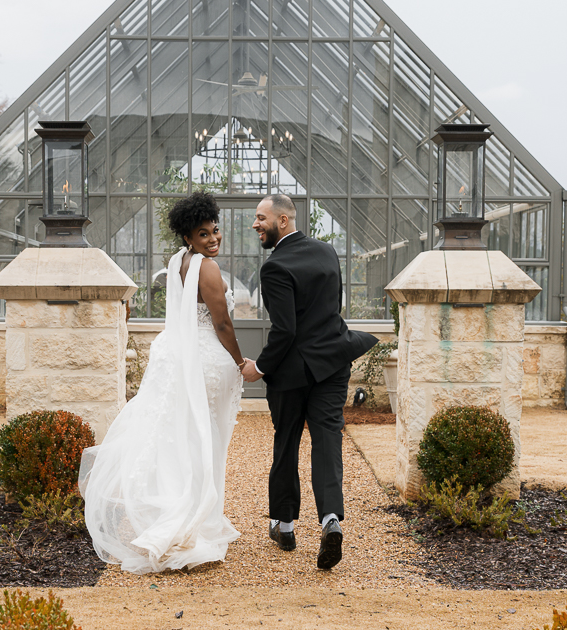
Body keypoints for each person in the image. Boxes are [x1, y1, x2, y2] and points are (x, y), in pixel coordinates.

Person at [79, 191, 245, 574]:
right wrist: (240, 361)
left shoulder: (177, 262)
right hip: (204, 359)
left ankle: (183, 513)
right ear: (189, 237)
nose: (213, 238)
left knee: (181, 438)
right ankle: (191, 521)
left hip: (177, 355)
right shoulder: (208, 268)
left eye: (215, 230)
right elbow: (221, 323)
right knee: (205, 439)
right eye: (203, 234)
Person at [240, 194, 378, 570]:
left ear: (283, 220)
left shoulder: (275, 267)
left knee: (286, 443)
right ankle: (330, 519)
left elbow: (285, 331)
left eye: (260, 218)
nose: (256, 224)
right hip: (333, 363)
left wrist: (260, 368)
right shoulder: (327, 252)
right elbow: (331, 308)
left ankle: (285, 526)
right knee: (328, 439)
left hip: (291, 373)